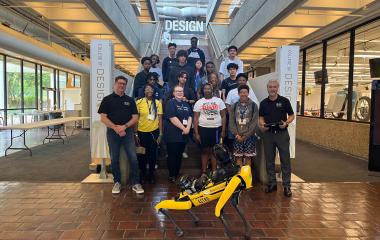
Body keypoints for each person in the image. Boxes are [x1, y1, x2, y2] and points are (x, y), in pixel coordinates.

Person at [98, 76, 144, 195]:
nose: (122, 86)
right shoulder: (107, 100)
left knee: (133, 157)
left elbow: (135, 117)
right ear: (115, 84)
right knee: (114, 158)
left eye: (124, 84)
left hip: (127, 132)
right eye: (120, 83)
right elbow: (103, 118)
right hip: (112, 133)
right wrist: (116, 128)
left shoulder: (130, 100)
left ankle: (136, 183)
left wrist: (124, 127)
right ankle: (117, 182)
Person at [259, 79, 295, 197]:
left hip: (282, 134)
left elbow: (291, 115)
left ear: (277, 88)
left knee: (285, 161)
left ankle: (287, 186)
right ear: (267, 88)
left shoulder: (284, 101)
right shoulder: (263, 103)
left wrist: (286, 123)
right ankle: (272, 184)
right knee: (269, 161)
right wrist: (262, 125)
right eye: (270, 87)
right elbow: (261, 118)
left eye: (274, 87)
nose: (272, 89)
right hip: (268, 134)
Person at [194, 84, 226, 175]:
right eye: (205, 88)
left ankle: (214, 171)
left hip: (216, 129)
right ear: (203, 90)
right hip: (203, 129)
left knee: (214, 151)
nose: (207, 90)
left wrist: (223, 130)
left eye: (209, 88)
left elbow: (223, 116)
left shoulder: (219, 101)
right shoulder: (199, 102)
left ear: (212, 90)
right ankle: (204, 171)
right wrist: (196, 133)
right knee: (204, 151)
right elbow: (195, 118)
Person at [164, 85, 193, 182]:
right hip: (173, 135)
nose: (179, 93)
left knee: (179, 155)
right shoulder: (170, 103)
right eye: (177, 91)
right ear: (173, 93)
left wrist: (187, 129)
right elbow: (172, 118)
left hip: (183, 135)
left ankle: (176, 173)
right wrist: (184, 128)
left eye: (181, 91)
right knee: (172, 155)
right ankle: (172, 175)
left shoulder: (186, 104)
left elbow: (190, 117)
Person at [135, 84, 163, 184]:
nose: (149, 90)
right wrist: (136, 134)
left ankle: (151, 174)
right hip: (141, 132)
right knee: (142, 155)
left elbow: (160, 119)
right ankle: (142, 173)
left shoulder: (158, 103)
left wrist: (160, 134)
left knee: (152, 155)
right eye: (147, 88)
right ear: (144, 91)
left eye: (151, 89)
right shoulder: (139, 102)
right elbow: (136, 119)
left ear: (154, 91)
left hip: (153, 133)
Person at [229, 85, 258, 167]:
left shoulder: (253, 105)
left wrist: (245, 136)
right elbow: (231, 121)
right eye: (241, 92)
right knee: (238, 157)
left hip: (249, 136)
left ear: (248, 93)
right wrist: (236, 134)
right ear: (238, 94)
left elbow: (254, 122)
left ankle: (247, 177)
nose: (243, 94)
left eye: (245, 92)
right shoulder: (234, 106)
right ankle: (240, 178)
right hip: (237, 136)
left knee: (248, 158)